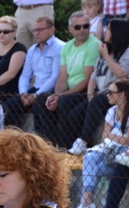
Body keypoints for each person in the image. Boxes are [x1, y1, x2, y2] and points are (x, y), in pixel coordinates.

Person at [68, 18, 129, 155]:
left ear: (117, 32)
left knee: (98, 100)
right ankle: (75, 146)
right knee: (72, 112)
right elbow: (93, 75)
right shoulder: (106, 50)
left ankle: (83, 141)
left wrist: (106, 55)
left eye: (108, 28)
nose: (105, 31)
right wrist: (90, 94)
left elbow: (121, 72)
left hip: (124, 96)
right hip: (102, 95)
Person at [74, 79, 129, 208]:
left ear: (122, 94)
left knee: (92, 169)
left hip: (125, 155)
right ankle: (87, 201)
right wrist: (115, 137)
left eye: (111, 92)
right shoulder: (112, 111)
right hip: (110, 152)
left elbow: (128, 141)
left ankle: (84, 207)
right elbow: (104, 137)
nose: (107, 95)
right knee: (89, 158)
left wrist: (111, 136)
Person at [34, 11, 99, 149]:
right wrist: (55, 95)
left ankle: (67, 147)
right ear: (70, 29)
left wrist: (61, 96)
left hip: (87, 91)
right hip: (70, 91)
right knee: (42, 99)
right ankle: (52, 146)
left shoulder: (94, 45)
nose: (82, 30)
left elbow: (88, 79)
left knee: (64, 102)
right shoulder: (67, 46)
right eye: (78, 27)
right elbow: (63, 76)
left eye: (86, 26)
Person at [2, 16, 63, 128]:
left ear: (52, 29)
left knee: (39, 105)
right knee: (9, 106)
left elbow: (55, 77)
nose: (36, 33)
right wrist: (23, 93)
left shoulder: (59, 47)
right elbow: (25, 75)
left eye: (41, 29)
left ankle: (45, 138)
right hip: (35, 89)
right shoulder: (32, 50)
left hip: (52, 90)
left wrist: (36, 95)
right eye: (35, 30)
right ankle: (16, 136)